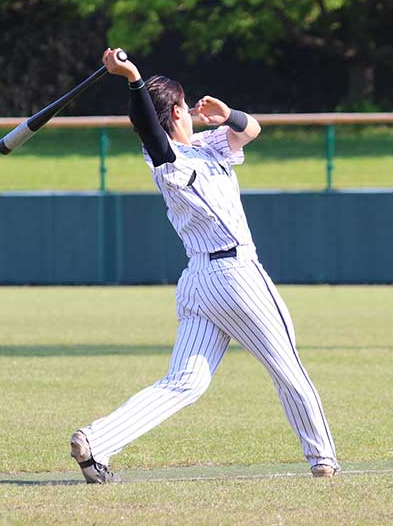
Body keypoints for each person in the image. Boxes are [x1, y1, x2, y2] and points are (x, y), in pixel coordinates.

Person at [68, 48, 339, 483]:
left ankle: (96, 441)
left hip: (200, 283)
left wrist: (228, 114)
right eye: (184, 106)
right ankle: (323, 459)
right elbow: (156, 137)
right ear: (176, 111)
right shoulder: (165, 158)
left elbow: (253, 129)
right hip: (236, 277)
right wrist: (133, 77)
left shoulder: (207, 145)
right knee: (288, 367)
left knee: (185, 383)